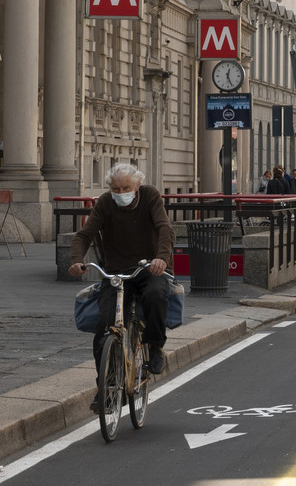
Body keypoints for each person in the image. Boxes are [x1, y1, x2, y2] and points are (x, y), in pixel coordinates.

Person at [68, 163, 175, 411]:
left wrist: (161, 258)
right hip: (116, 271)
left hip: (149, 267)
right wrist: (76, 261)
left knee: (155, 296)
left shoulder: (150, 197)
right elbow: (84, 235)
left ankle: (155, 347)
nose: (121, 192)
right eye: (116, 188)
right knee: (104, 328)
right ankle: (105, 385)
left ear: (136, 186)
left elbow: (164, 228)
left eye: (126, 187)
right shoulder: (105, 203)